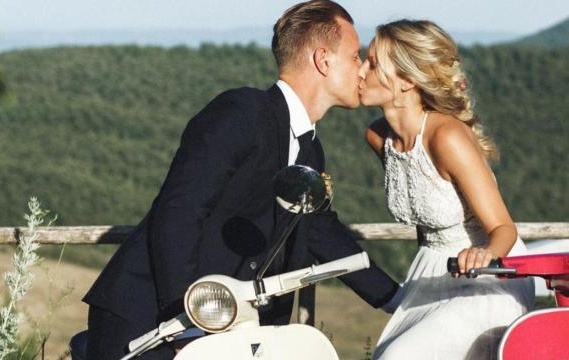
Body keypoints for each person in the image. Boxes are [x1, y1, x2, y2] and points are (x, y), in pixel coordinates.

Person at [82, 1, 399, 359]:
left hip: (226, 330)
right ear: (323, 59)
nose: (362, 71)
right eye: (355, 56)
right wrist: (188, 320)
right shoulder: (243, 111)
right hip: (150, 320)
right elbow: (180, 211)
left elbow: (320, 231)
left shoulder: (311, 150)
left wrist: (397, 299)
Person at [357, 20, 535, 359]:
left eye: (373, 64)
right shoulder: (378, 137)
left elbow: (503, 228)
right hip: (431, 271)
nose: (360, 71)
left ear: (407, 81)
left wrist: (484, 255)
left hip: (490, 275)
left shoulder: (446, 137)